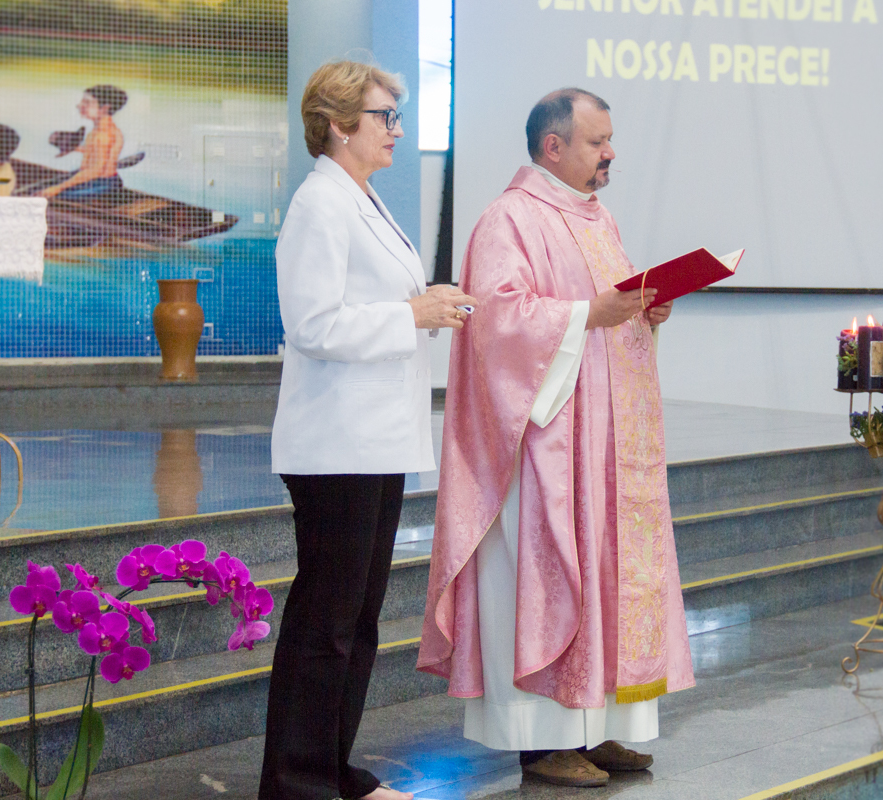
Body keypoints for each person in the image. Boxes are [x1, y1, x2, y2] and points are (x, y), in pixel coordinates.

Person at [417, 88, 695, 788]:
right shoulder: (509, 218)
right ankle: (541, 742)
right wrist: (588, 314)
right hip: (545, 446)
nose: (610, 153)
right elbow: (496, 321)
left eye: (609, 140)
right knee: (546, 580)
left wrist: (643, 311)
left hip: (605, 441)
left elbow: (604, 312)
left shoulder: (598, 218)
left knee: (608, 579)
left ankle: (595, 728)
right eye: (598, 141)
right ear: (553, 146)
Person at [260, 60, 476, 800]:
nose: (398, 131)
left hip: (374, 438)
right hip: (336, 444)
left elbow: (371, 303)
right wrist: (411, 314)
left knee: (356, 622)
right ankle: (296, 783)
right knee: (326, 623)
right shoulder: (319, 203)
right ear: (339, 123)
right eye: (386, 117)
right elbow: (312, 324)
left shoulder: (361, 198)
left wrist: (427, 301)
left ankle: (330, 768)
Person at [39, 84, 126, 199]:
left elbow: (95, 170)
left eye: (87, 102)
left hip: (102, 183)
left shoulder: (102, 136)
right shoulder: (101, 131)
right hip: (93, 177)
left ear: (104, 108)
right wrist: (78, 149)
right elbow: (99, 153)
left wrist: (59, 188)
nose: (79, 105)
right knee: (43, 186)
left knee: (47, 195)